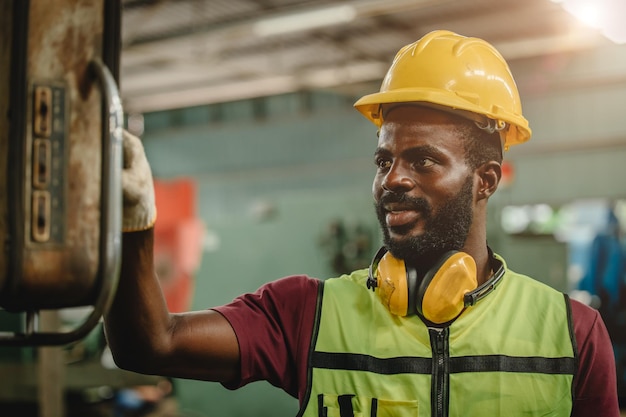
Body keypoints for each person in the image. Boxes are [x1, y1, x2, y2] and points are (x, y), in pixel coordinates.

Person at [104, 30, 620, 416]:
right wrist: (133, 226)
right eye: (383, 160)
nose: (392, 179)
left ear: (485, 180)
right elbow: (151, 343)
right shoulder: (306, 314)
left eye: (423, 161)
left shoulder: (571, 335)